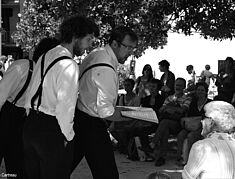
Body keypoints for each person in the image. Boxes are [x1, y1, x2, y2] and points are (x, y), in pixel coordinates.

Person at [23, 15, 99, 179]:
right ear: (76, 36)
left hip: (31, 126)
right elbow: (66, 107)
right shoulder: (69, 64)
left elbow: (31, 90)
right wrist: (68, 136)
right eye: (88, 39)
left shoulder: (45, 56)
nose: (90, 44)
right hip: (52, 129)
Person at [72, 26, 138, 179]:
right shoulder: (106, 67)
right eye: (128, 47)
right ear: (115, 44)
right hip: (92, 125)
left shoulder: (97, 53)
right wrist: (134, 115)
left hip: (80, 118)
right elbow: (106, 112)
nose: (130, 52)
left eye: (133, 49)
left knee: (63, 168)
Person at [0, 37, 59, 179]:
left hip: (24, 121)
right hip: (6, 116)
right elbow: (1, 93)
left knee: (16, 164)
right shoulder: (23, 67)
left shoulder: (49, 75)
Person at [182, 101, 235, 179]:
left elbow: (187, 177)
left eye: (203, 117)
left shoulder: (202, 147)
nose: (201, 121)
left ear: (211, 122)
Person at [151, 78, 191, 166]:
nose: (178, 87)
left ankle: (153, 144)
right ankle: (161, 157)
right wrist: (172, 108)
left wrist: (169, 107)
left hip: (179, 124)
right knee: (165, 128)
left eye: (180, 85)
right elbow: (161, 110)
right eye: (176, 85)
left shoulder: (187, 98)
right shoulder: (169, 97)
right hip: (168, 123)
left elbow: (182, 110)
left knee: (164, 123)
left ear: (184, 87)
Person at [176, 82, 212, 166]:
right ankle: (179, 157)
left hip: (203, 127)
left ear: (206, 91)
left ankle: (189, 160)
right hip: (191, 125)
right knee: (181, 135)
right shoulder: (193, 102)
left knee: (191, 136)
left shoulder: (210, 103)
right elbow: (189, 115)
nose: (200, 92)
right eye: (198, 90)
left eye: (202, 90)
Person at [109, 78, 140, 154]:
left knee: (121, 129)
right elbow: (120, 109)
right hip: (122, 117)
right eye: (125, 85)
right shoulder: (122, 97)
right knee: (111, 129)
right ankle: (123, 144)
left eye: (128, 85)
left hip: (132, 118)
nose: (126, 87)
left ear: (132, 86)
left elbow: (135, 110)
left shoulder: (136, 98)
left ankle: (125, 146)